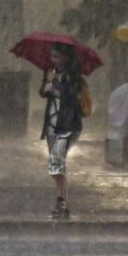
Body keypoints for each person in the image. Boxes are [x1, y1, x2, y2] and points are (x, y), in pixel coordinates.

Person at [40, 42, 84, 220]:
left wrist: (57, 86)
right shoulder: (50, 72)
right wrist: (47, 86)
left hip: (68, 124)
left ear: (65, 57)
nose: (54, 60)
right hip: (52, 124)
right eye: (52, 56)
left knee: (56, 162)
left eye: (57, 56)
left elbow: (73, 94)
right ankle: (63, 201)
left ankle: (62, 201)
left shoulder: (73, 74)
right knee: (55, 164)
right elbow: (42, 92)